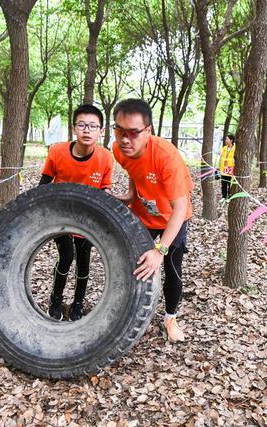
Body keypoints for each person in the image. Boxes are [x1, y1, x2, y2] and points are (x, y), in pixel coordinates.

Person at [111, 98, 193, 343]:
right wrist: (131, 195)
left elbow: (180, 209)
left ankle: (170, 318)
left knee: (170, 267)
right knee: (137, 265)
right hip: (144, 214)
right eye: (119, 131)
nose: (125, 139)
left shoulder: (167, 158)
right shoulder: (119, 150)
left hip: (172, 218)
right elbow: (134, 172)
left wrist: (159, 249)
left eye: (133, 133)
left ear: (147, 131)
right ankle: (134, 314)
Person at [38, 104, 113, 321]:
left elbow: (105, 191)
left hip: (87, 219)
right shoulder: (57, 152)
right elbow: (43, 185)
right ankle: (55, 300)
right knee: (66, 257)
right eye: (82, 125)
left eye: (92, 126)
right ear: (74, 129)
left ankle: (78, 303)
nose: (87, 130)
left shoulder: (105, 158)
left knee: (83, 260)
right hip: (60, 216)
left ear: (100, 130)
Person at [219, 134, 236, 201]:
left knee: (229, 183)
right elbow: (221, 158)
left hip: (230, 168)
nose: (226, 140)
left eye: (227, 139)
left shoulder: (235, 148)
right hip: (224, 168)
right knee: (223, 183)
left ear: (231, 140)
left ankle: (229, 196)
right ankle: (224, 196)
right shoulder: (224, 148)